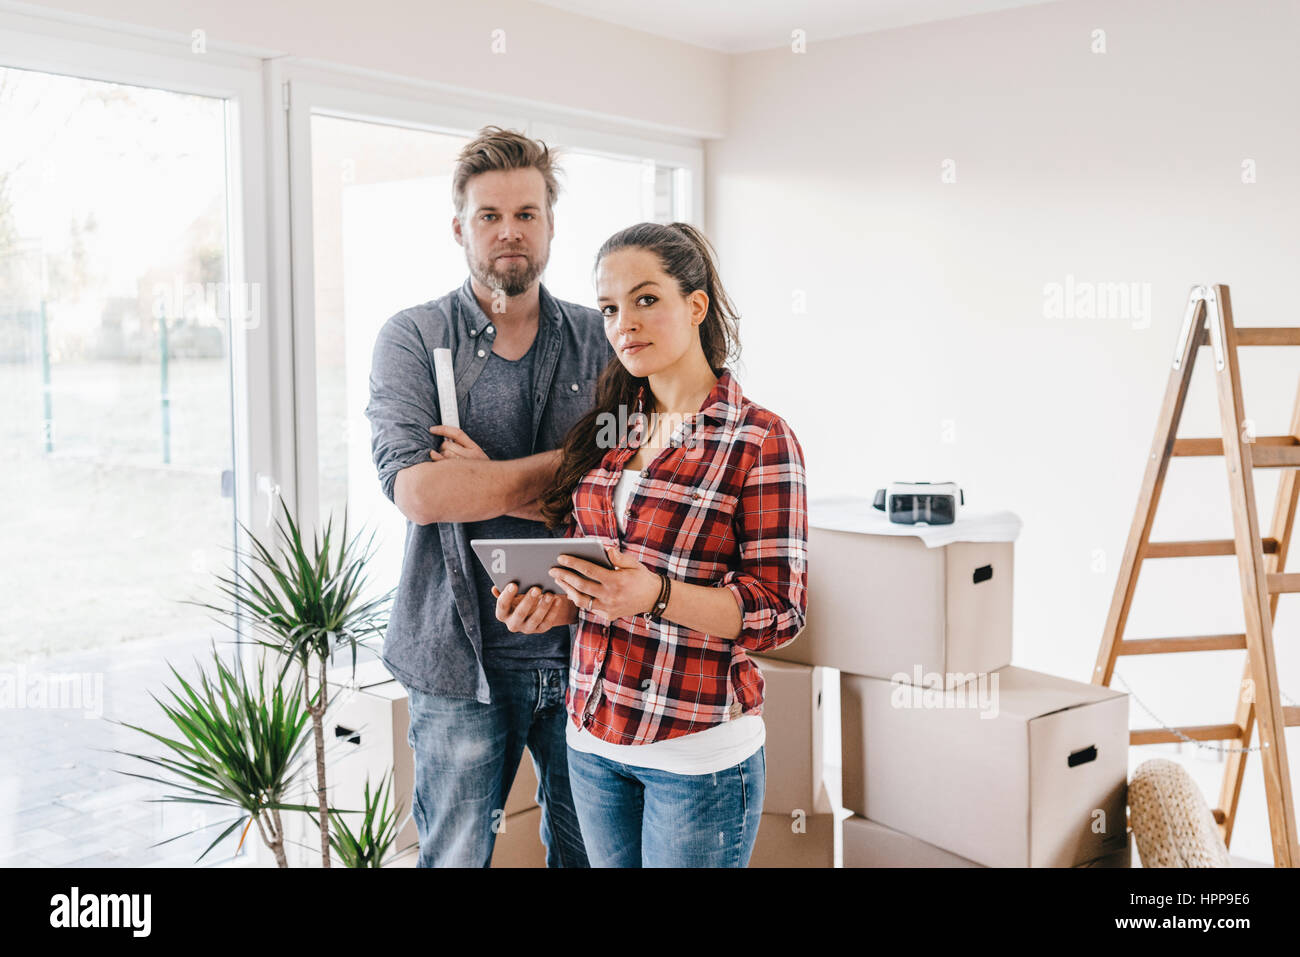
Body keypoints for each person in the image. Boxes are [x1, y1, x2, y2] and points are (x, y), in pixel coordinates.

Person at [491, 221, 809, 867]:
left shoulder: (760, 440)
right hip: (593, 739)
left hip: (697, 756)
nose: (622, 323)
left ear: (695, 306)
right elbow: (603, 579)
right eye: (609, 307)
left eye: (644, 299)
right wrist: (562, 603)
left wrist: (656, 595)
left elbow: (780, 612)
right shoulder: (611, 430)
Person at [364, 126, 611, 867]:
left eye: (527, 214)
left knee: (592, 855)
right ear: (459, 228)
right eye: (490, 215)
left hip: (584, 648)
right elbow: (420, 492)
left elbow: (630, 492)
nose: (510, 231)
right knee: (454, 857)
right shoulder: (413, 337)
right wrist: (564, 478)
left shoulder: (602, 341)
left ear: (551, 225)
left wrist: (483, 481)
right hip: (454, 661)